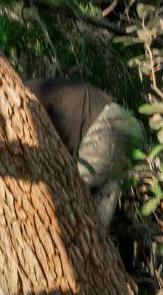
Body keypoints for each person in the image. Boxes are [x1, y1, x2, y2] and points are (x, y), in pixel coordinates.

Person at [30, 76, 144, 229]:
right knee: (95, 228)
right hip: (128, 127)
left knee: (66, 197)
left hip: (104, 128)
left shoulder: (19, 95)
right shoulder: (31, 87)